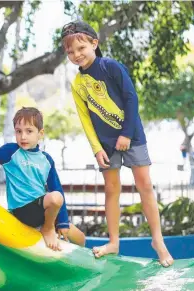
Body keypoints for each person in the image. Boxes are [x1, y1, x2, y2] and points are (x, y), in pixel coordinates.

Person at [61, 21, 173, 266]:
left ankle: (158, 240)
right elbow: (85, 120)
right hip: (105, 144)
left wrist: (126, 134)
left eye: (81, 48)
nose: (76, 55)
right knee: (111, 189)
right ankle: (113, 241)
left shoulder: (110, 66)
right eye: (70, 52)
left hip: (131, 135)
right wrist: (97, 148)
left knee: (144, 184)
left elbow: (131, 100)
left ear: (94, 43)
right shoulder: (78, 85)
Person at [0, 107, 86, 250]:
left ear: (40, 133)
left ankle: (86, 262)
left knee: (80, 238)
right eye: (18, 131)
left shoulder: (46, 159)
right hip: (22, 210)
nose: (23, 137)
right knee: (55, 198)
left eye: (29, 131)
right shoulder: (10, 151)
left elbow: (56, 187)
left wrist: (63, 223)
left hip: (43, 210)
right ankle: (47, 229)